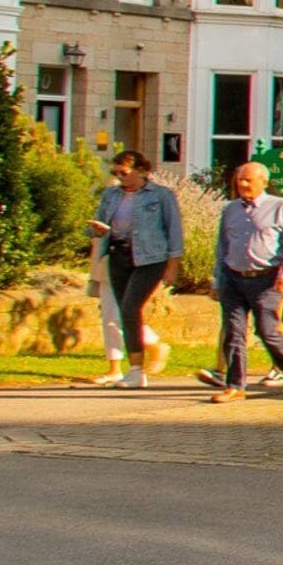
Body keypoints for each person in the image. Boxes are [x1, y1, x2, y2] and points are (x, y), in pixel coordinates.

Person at [203, 160, 283, 403]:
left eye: (248, 180)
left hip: (266, 278)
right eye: (240, 179)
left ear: (263, 182)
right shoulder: (230, 209)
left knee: (267, 329)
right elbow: (222, 246)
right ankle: (235, 386)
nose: (243, 184)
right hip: (233, 277)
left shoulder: (280, 207)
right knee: (234, 332)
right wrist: (218, 280)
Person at [89, 151, 182, 389]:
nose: (120, 177)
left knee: (131, 308)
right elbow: (99, 226)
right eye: (116, 173)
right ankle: (135, 371)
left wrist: (172, 265)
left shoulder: (161, 195)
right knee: (124, 312)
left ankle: (137, 369)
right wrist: (98, 230)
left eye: (125, 172)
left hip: (150, 258)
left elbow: (174, 231)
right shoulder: (111, 195)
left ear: (141, 170)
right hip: (119, 254)